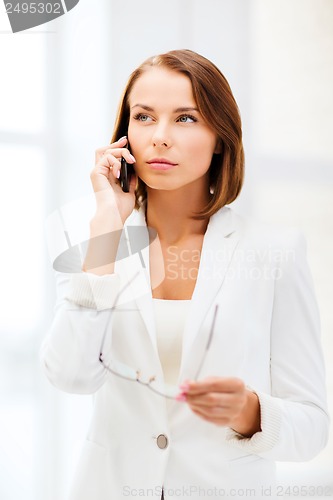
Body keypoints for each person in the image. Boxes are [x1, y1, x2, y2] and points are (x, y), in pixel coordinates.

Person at [40, 49, 329, 500]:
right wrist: (106, 231)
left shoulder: (274, 252)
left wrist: (251, 412)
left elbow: (313, 427)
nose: (159, 137)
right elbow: (69, 375)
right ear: (124, 135)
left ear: (220, 138)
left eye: (186, 118)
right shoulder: (93, 236)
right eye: (144, 116)